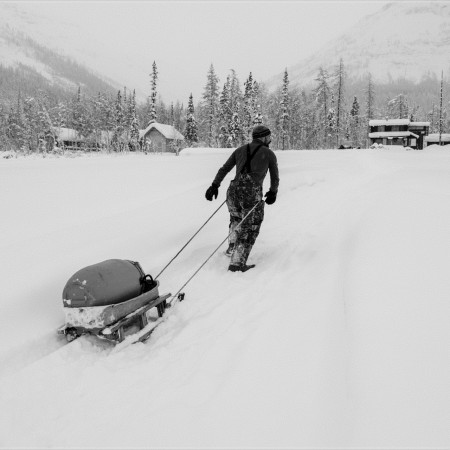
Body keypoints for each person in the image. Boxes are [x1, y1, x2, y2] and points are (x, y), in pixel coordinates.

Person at [205, 125, 279, 272]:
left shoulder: (239, 150)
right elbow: (274, 176)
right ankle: (237, 263)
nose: (270, 140)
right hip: (251, 193)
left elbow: (224, 168)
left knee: (236, 219)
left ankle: (232, 247)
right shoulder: (268, 153)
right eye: (269, 137)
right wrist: (273, 192)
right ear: (263, 137)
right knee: (250, 227)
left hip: (233, 191)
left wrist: (214, 185)